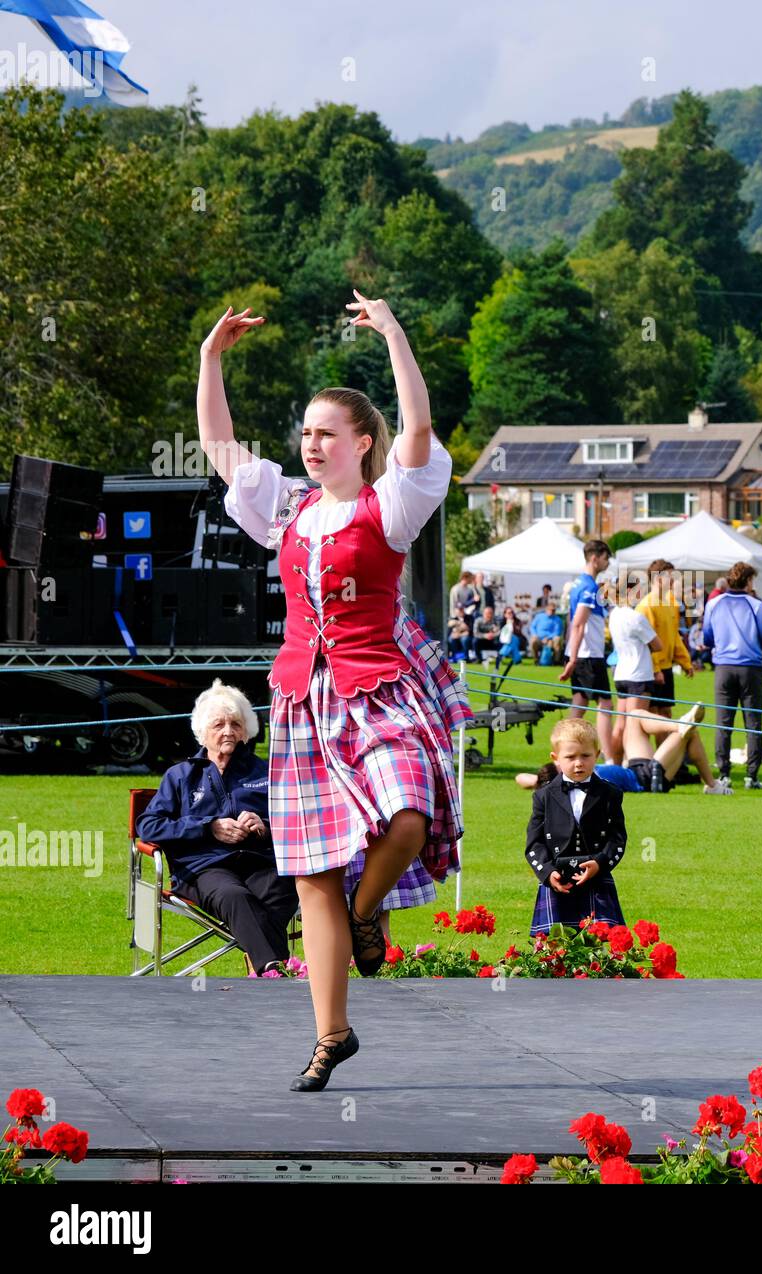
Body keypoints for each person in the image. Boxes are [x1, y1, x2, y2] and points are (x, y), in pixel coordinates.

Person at [199, 291, 469, 1092]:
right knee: (312, 871)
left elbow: (416, 431)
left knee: (410, 813)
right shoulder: (287, 508)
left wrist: (393, 332)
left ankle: (364, 912)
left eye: (326, 433)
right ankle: (331, 1035)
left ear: (360, 443)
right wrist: (211, 358)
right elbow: (218, 446)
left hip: (378, 688)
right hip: (302, 703)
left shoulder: (392, 505)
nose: (311, 444)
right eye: (306, 432)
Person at [135, 679, 298, 977]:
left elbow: (296, 821)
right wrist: (208, 827)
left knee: (286, 887)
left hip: (260, 862)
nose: (228, 731)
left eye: (236, 724)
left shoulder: (267, 772)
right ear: (202, 732)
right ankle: (274, 968)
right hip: (203, 868)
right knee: (234, 896)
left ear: (247, 730)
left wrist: (266, 825)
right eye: (219, 724)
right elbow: (147, 825)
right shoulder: (181, 776)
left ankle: (266, 969)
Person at [524, 718, 627, 936]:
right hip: (556, 880)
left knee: (597, 949)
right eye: (570, 757)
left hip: (596, 878)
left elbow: (617, 838)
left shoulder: (610, 794)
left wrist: (600, 863)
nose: (578, 763)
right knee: (554, 949)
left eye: (585, 756)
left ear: (597, 754)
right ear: (556, 759)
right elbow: (534, 842)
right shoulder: (543, 797)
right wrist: (547, 872)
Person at [515, 703, 731, 797]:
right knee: (689, 734)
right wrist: (554, 779)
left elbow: (519, 778)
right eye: (570, 758)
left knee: (635, 716)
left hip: (635, 767)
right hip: (648, 778)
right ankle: (712, 785)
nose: (577, 763)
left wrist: (538, 780)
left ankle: (679, 724)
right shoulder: (578, 782)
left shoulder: (574, 771)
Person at [702, 561, 762, 790]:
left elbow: (707, 637)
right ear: (749, 581)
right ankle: (751, 776)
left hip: (723, 667)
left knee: (723, 723)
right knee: (753, 724)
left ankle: (723, 773)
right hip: (750, 667)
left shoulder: (713, 604)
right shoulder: (756, 605)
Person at [560, 539, 615, 760]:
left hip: (583, 654)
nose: (607, 563)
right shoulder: (588, 587)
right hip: (588, 655)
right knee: (605, 704)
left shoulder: (578, 584)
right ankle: (610, 758)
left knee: (580, 704)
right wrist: (572, 659)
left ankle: (565, 749)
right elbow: (579, 623)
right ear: (595, 558)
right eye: (605, 558)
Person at [608, 578, 664, 759]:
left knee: (621, 724)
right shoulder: (636, 617)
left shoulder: (615, 614)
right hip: (638, 675)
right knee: (636, 727)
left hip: (621, 673)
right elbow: (658, 645)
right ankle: (634, 767)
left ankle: (614, 766)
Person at [635, 559, 694, 715]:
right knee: (652, 715)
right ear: (658, 579)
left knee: (666, 713)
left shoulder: (670, 604)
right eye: (670, 576)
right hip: (651, 670)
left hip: (666, 668)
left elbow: (674, 637)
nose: (673, 580)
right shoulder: (646, 606)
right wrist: (655, 670)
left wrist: (685, 662)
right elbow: (646, 642)